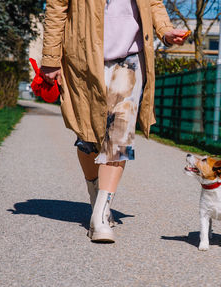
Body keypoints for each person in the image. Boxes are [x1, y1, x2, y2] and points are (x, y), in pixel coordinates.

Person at [40, 0, 187, 243]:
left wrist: (165, 29)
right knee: (87, 138)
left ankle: (99, 215)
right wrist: (51, 58)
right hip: (82, 59)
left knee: (119, 136)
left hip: (130, 57)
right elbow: (56, 8)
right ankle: (95, 192)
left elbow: (153, 3)